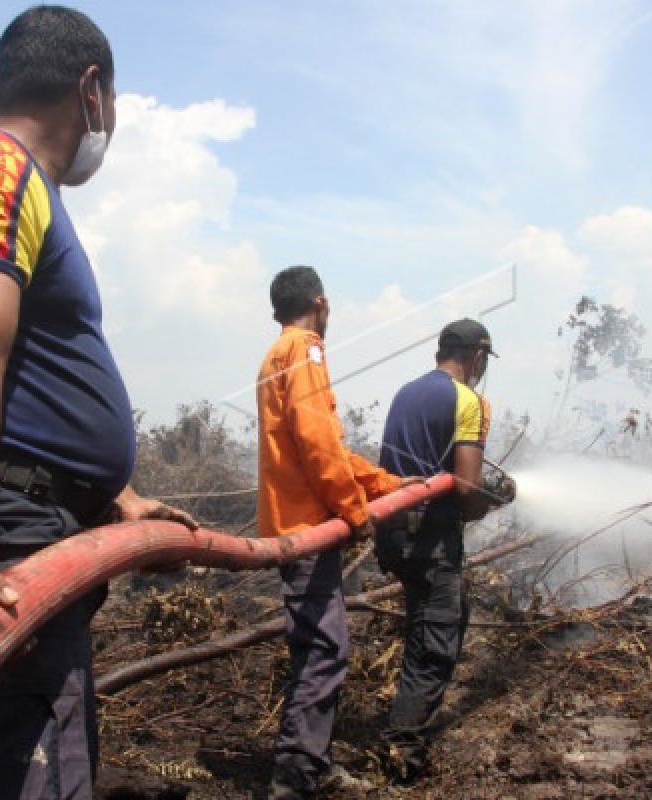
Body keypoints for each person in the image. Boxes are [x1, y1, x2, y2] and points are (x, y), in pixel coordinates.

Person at [0, 7, 195, 798]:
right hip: (4, 538)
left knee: (50, 757)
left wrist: (115, 496)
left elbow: (36, 376)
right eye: (116, 104)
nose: (113, 126)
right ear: (91, 91)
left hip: (37, 523)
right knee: (14, 766)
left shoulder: (27, 188)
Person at [255, 265, 419, 799]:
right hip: (308, 531)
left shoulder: (277, 354)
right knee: (326, 649)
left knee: (314, 647)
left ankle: (303, 764)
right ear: (320, 304)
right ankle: (300, 775)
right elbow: (317, 443)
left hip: (294, 526)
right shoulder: (307, 349)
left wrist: (387, 483)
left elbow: (330, 447)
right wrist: (354, 512)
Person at [374, 318, 513, 783]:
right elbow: (468, 486)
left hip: (394, 532)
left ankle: (407, 715)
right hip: (429, 537)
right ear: (476, 357)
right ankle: (402, 754)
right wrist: (491, 501)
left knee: (442, 617)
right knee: (435, 642)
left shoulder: (406, 392)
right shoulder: (468, 399)